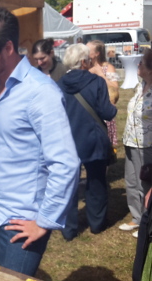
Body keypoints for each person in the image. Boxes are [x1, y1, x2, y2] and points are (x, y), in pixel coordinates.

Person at [0, 8, 80, 276]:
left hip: (24, 220)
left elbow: (66, 162)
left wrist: (44, 221)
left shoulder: (40, 93)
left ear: (8, 48)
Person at [57, 43, 117, 241]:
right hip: (93, 138)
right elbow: (107, 111)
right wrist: (114, 109)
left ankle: (69, 228)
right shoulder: (96, 81)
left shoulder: (59, 84)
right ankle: (97, 224)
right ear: (84, 61)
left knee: (69, 185)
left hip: (68, 140)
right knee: (96, 182)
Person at [122, 48, 152, 238]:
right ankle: (137, 217)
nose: (138, 66)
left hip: (146, 144)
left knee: (145, 184)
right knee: (131, 182)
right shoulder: (140, 86)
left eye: (140, 63)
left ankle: (147, 220)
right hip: (130, 141)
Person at [87, 40, 120, 148]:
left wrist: (101, 74)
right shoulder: (84, 67)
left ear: (97, 53)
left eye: (88, 50)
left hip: (104, 109)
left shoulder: (108, 68)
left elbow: (115, 89)